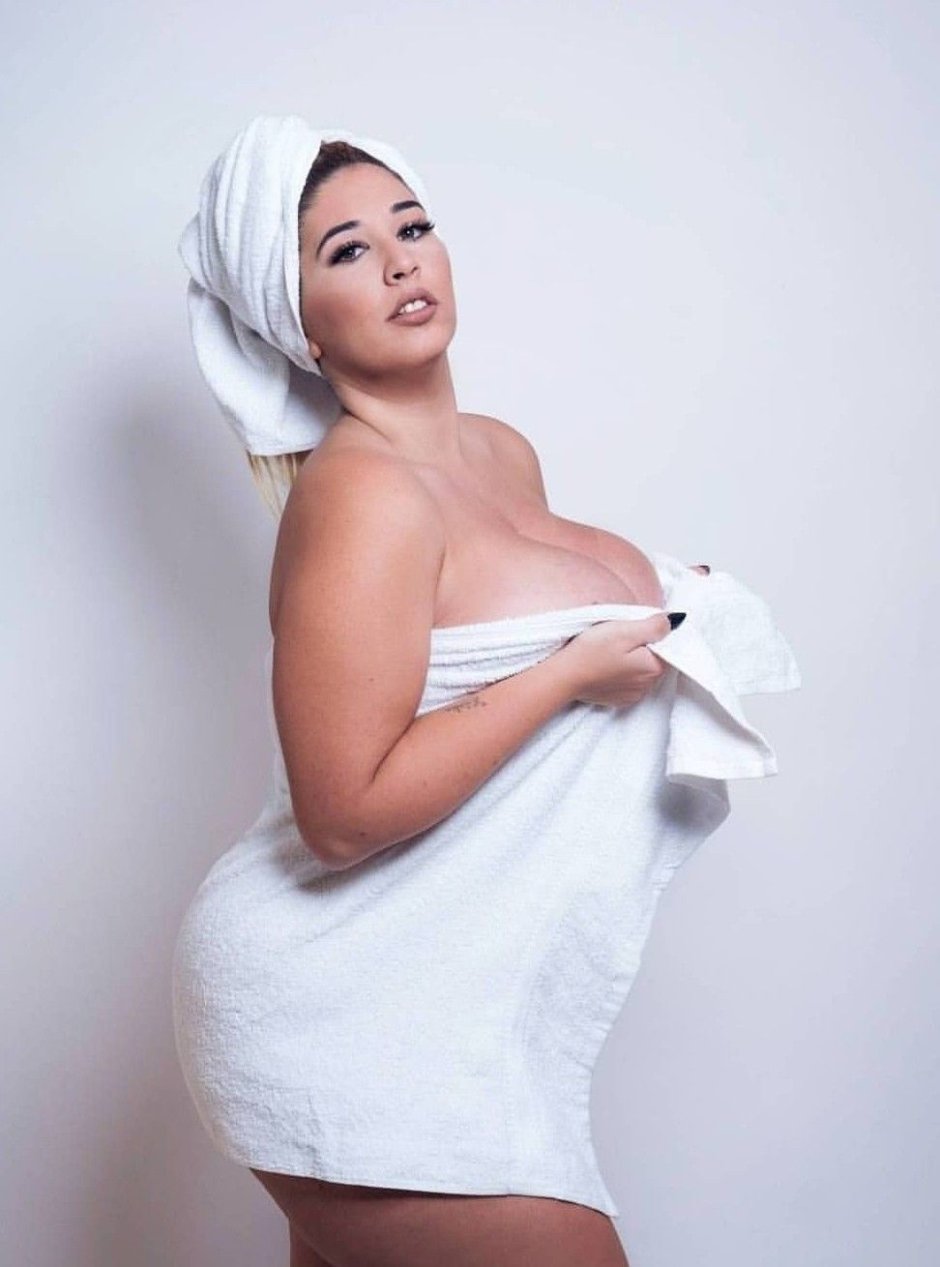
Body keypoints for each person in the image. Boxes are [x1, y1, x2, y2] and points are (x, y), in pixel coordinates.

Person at [173, 118, 797, 1267]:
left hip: (445, 989)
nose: (400, 262)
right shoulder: (359, 497)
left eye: (411, 228)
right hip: (338, 995)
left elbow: (491, 636)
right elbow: (342, 813)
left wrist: (667, 608)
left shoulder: (498, 451)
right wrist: (567, 675)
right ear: (297, 322)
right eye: (347, 251)